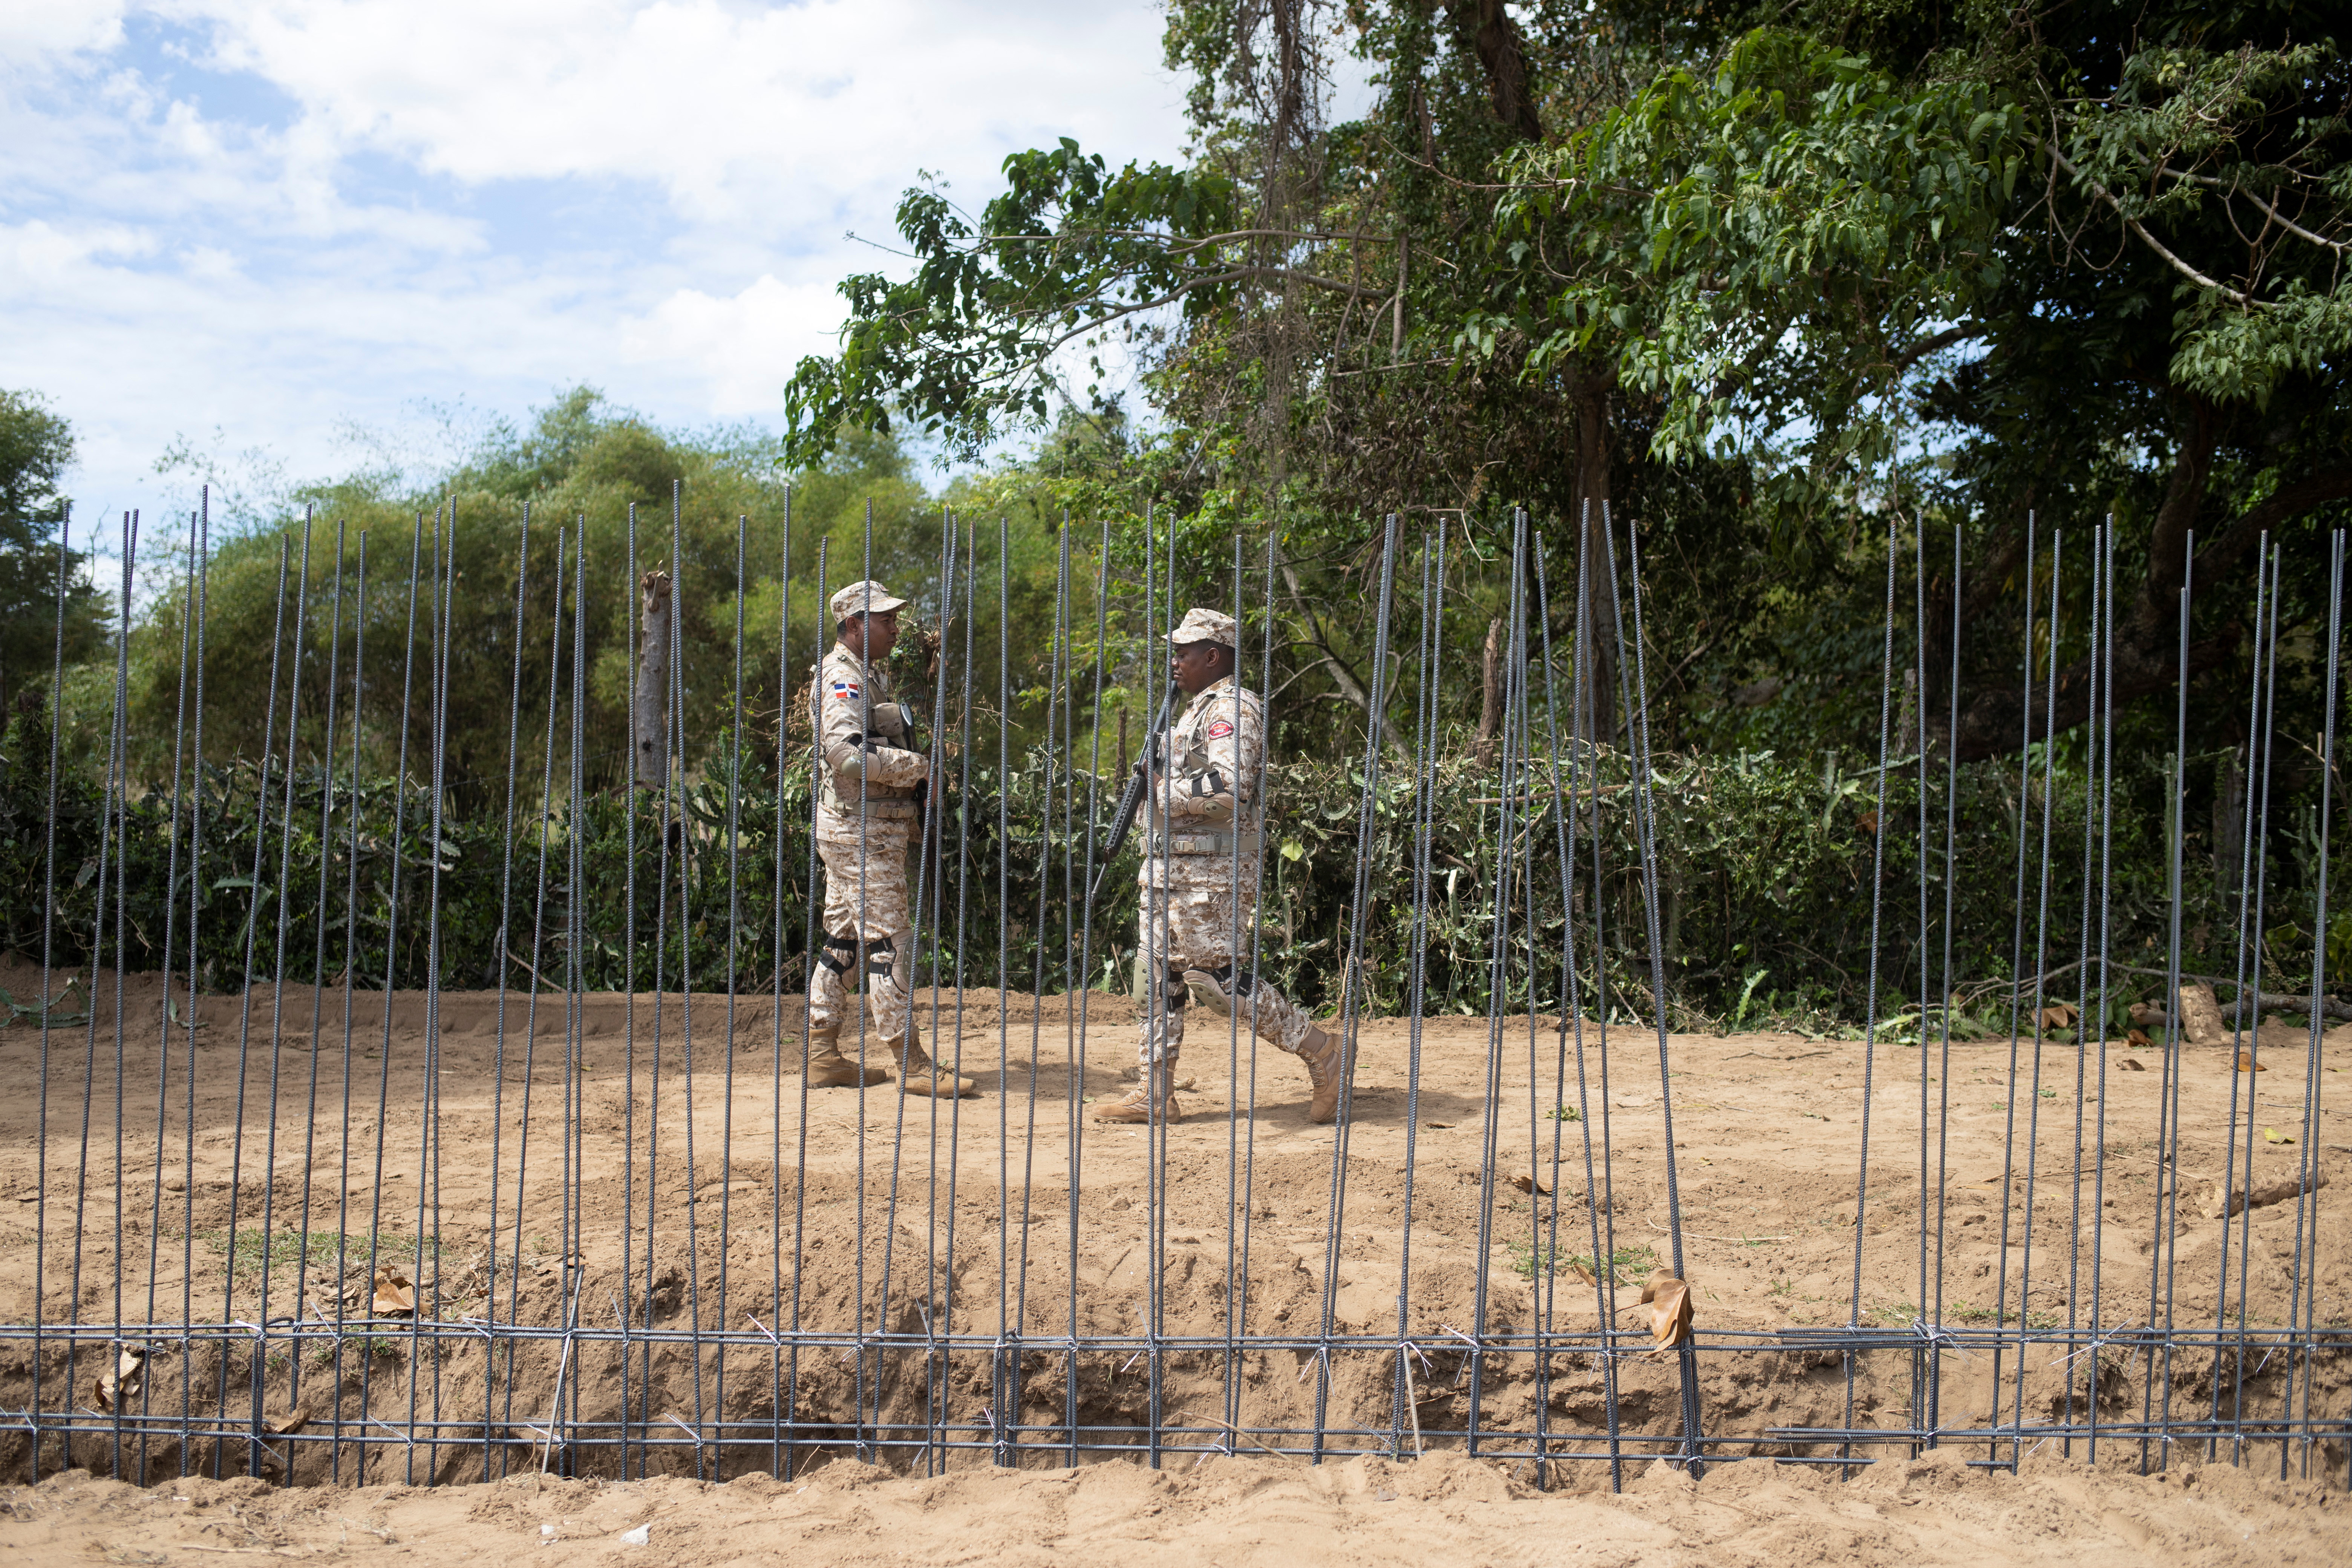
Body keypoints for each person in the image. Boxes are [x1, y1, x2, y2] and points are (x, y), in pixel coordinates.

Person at [1095, 606, 1346, 1126]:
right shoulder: (1190, 713)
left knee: (1216, 982)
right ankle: (1155, 1092)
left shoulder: (1233, 709)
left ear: (1213, 656)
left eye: (1184, 653)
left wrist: (1168, 792)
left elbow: (1232, 788)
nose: (1175, 662)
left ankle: (1320, 1047)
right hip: (1167, 872)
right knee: (1154, 977)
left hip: (1211, 877)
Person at [805, 580, 974, 1098]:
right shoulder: (844, 680)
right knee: (890, 942)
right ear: (855, 625)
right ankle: (912, 1063)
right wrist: (918, 767)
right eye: (885, 620)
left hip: (862, 826)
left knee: (844, 941)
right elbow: (847, 757)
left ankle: (822, 1055)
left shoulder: (867, 676)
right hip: (861, 831)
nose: (896, 627)